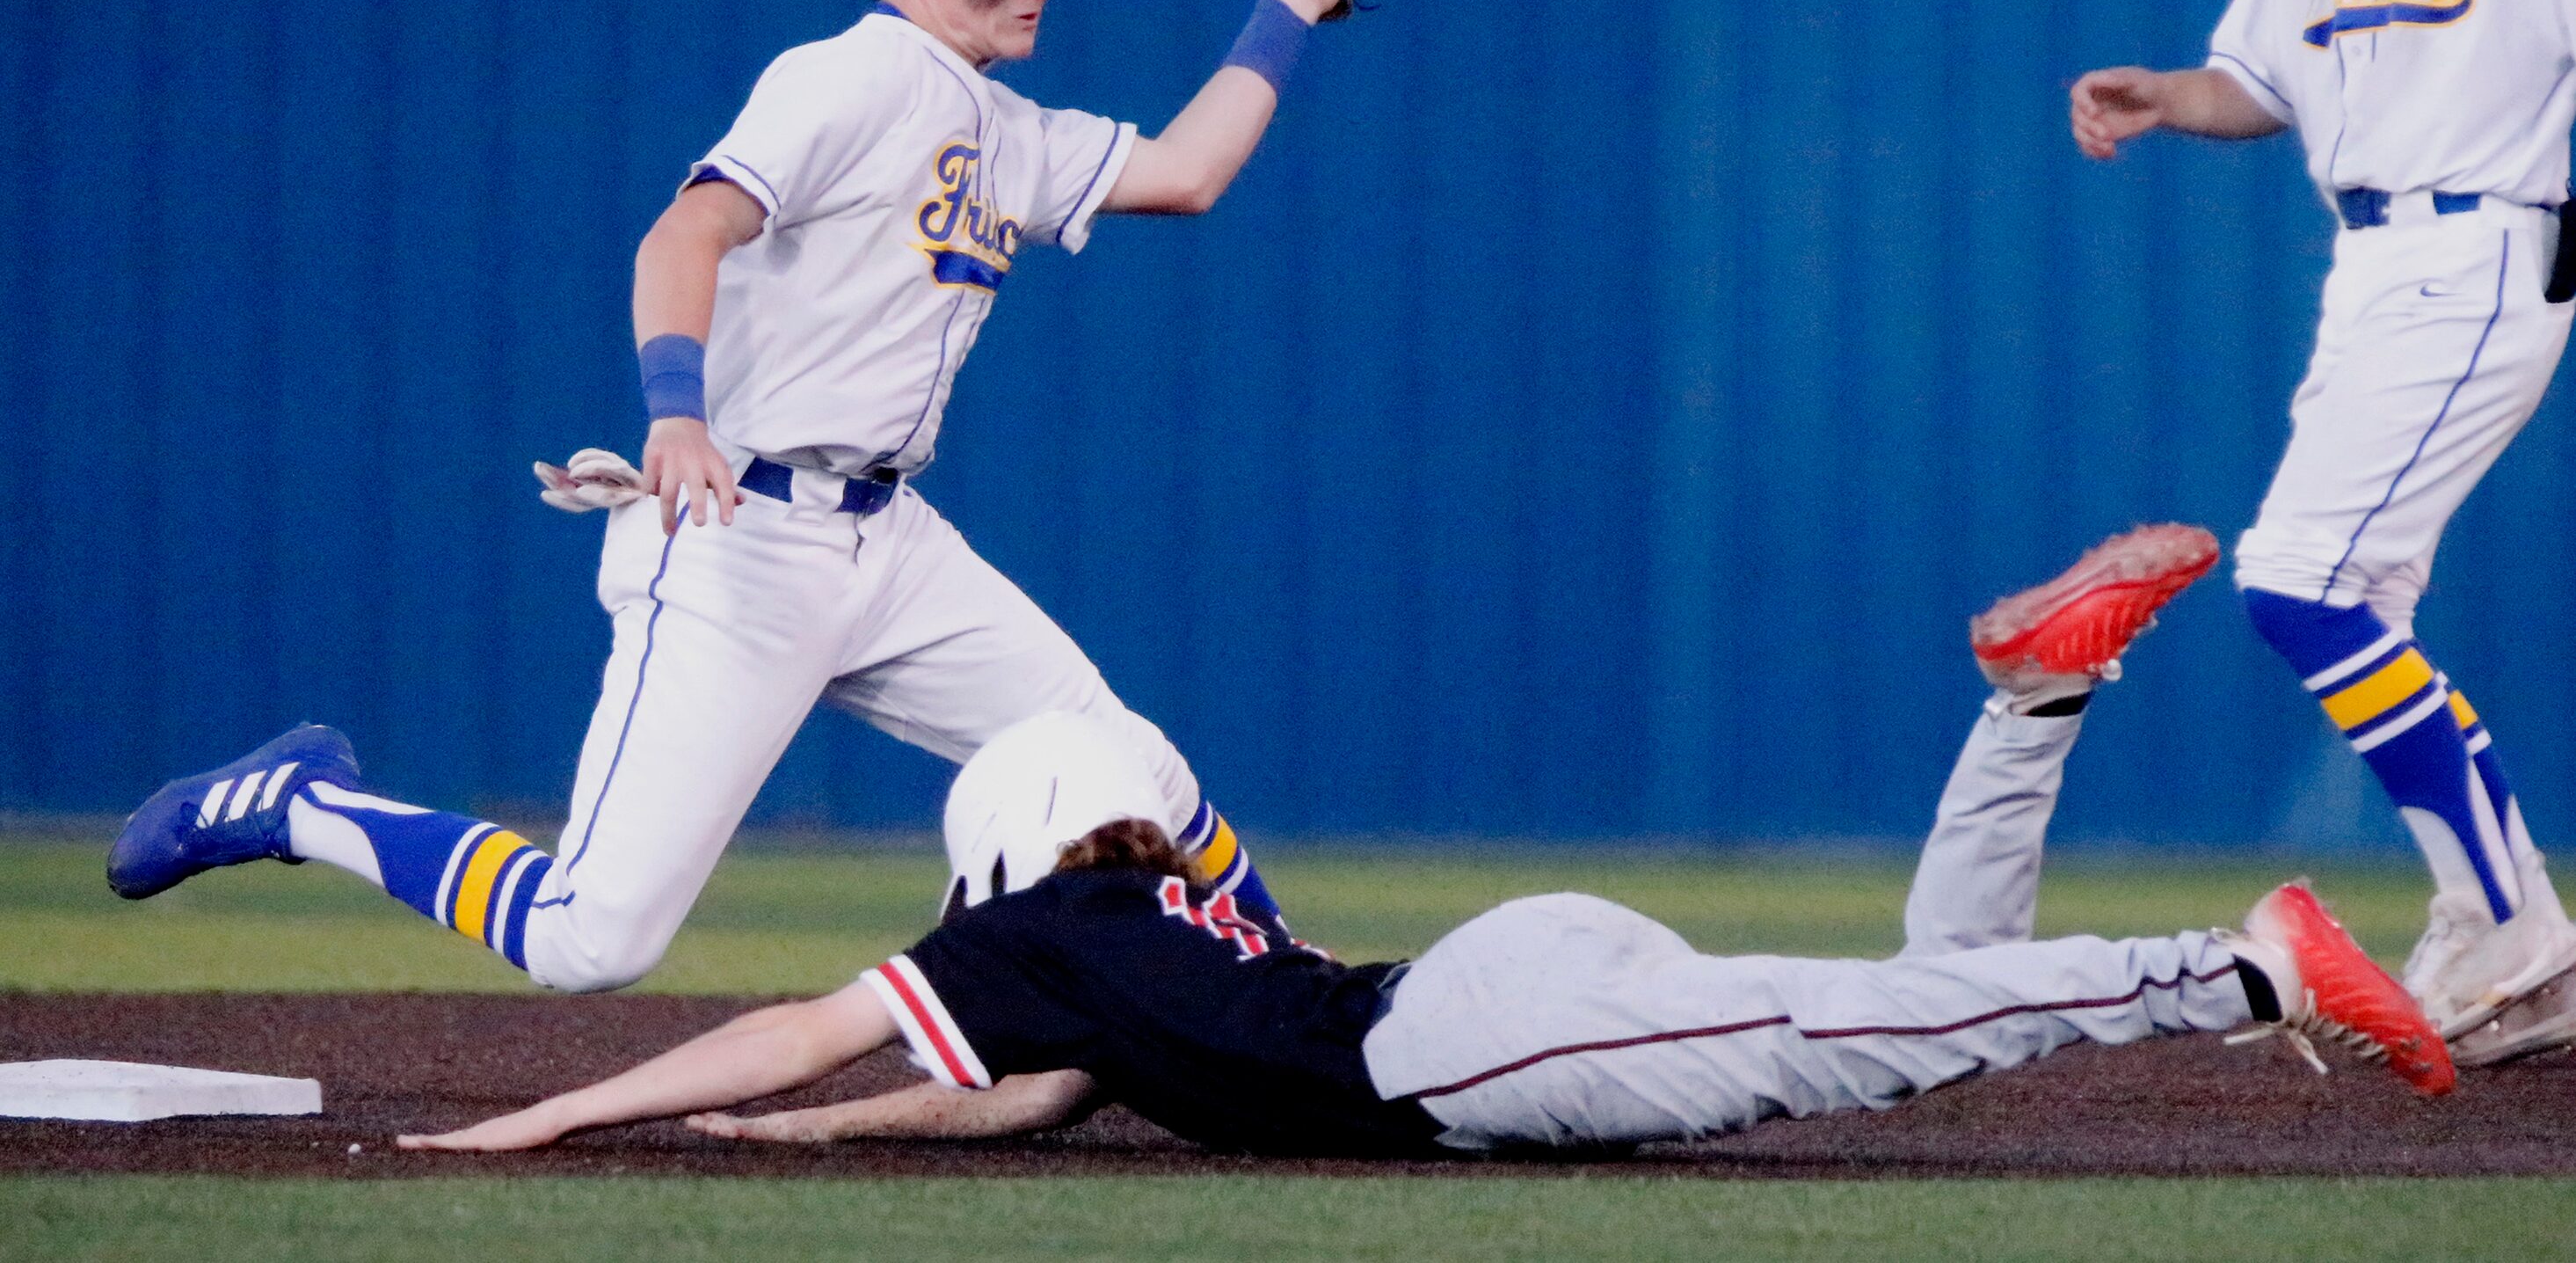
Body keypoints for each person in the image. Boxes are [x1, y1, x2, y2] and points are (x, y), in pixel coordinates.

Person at [105, 0, 1343, 989]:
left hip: (888, 540)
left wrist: (1287, 4)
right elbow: (684, 230)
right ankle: (296, 802)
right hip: (736, 534)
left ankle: (1294, 997)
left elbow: (1186, 173)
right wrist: (674, 410)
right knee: (587, 939)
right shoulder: (841, 78)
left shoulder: (1007, 124)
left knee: (1137, 769)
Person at [396, 525, 2452, 1162]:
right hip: (1490, 971)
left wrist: (558, 1123)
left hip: (1456, 1052)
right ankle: (2028, 704)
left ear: (993, 839)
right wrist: (818, 1142)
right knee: (1897, 1006)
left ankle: (2243, 957)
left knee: (1861, 1034)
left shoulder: (1041, 932)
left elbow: (795, 1023)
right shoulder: (1129, 938)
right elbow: (1019, 1111)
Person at [2067, 0, 2576, 1063]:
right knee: (2357, 599)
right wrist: (2167, 93)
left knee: (2300, 581)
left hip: (2482, 243)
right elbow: (2260, 77)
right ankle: (2516, 939)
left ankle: (2507, 917)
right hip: (2369, 265)